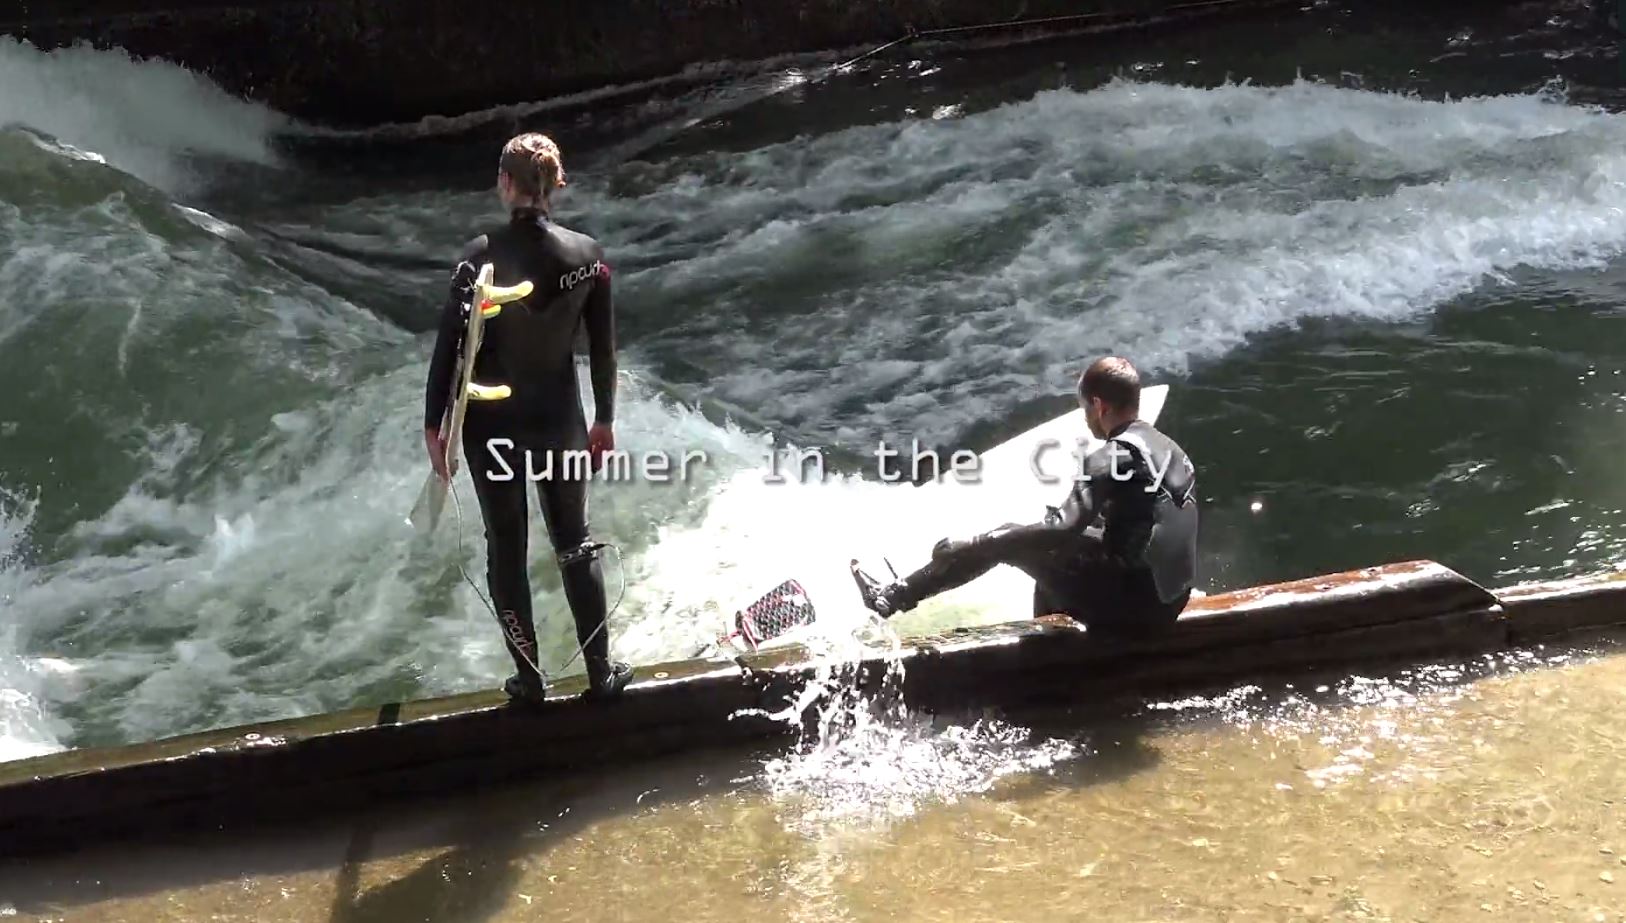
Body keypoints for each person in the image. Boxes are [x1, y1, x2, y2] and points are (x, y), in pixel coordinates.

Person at [423, 132, 632, 704]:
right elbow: (604, 350)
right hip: (561, 420)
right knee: (574, 543)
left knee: (506, 546)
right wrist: (605, 418)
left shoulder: (477, 258)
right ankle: (601, 673)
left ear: (505, 184)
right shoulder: (588, 258)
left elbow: (449, 347)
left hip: (492, 427)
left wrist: (433, 425)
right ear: (556, 184)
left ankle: (529, 681)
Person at [851, 356, 1199, 638]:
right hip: (1171, 601)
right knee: (1047, 554)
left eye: (1084, 410)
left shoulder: (1107, 458)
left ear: (1098, 405)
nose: (1086, 419)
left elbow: (1063, 528)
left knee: (1010, 538)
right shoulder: (1172, 450)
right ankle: (1052, 649)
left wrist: (977, 543)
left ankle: (891, 597)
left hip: (1136, 611)